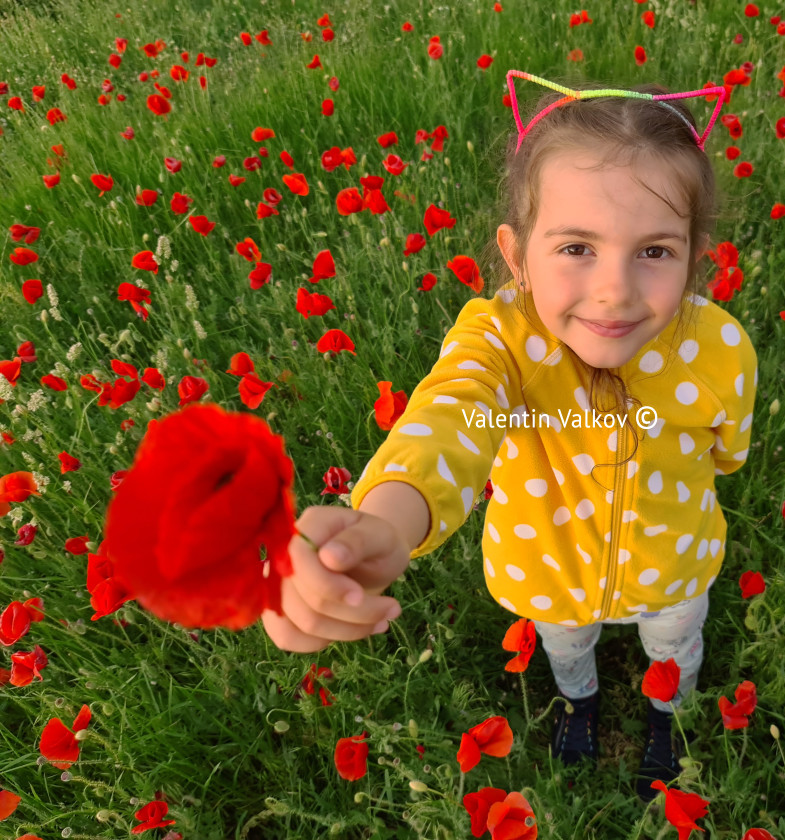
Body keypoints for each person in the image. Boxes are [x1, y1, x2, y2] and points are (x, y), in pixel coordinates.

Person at [262, 70, 758, 802]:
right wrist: (387, 519)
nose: (615, 289)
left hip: (671, 564)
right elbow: (452, 414)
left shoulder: (718, 349)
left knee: (676, 645)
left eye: (654, 251)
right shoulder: (501, 340)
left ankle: (667, 715)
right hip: (548, 570)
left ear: (693, 254)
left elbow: (727, 449)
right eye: (576, 248)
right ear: (516, 254)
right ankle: (579, 702)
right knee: (564, 643)